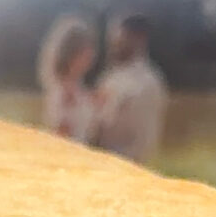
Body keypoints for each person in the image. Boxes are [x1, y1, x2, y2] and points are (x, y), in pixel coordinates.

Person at [95, 14, 169, 164]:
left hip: (126, 165)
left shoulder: (147, 83)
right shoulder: (110, 76)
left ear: (138, 39)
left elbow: (141, 139)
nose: (112, 43)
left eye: (119, 38)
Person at [37, 15, 100, 144]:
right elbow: (61, 137)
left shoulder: (77, 87)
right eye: (87, 50)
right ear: (74, 53)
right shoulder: (62, 92)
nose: (92, 56)